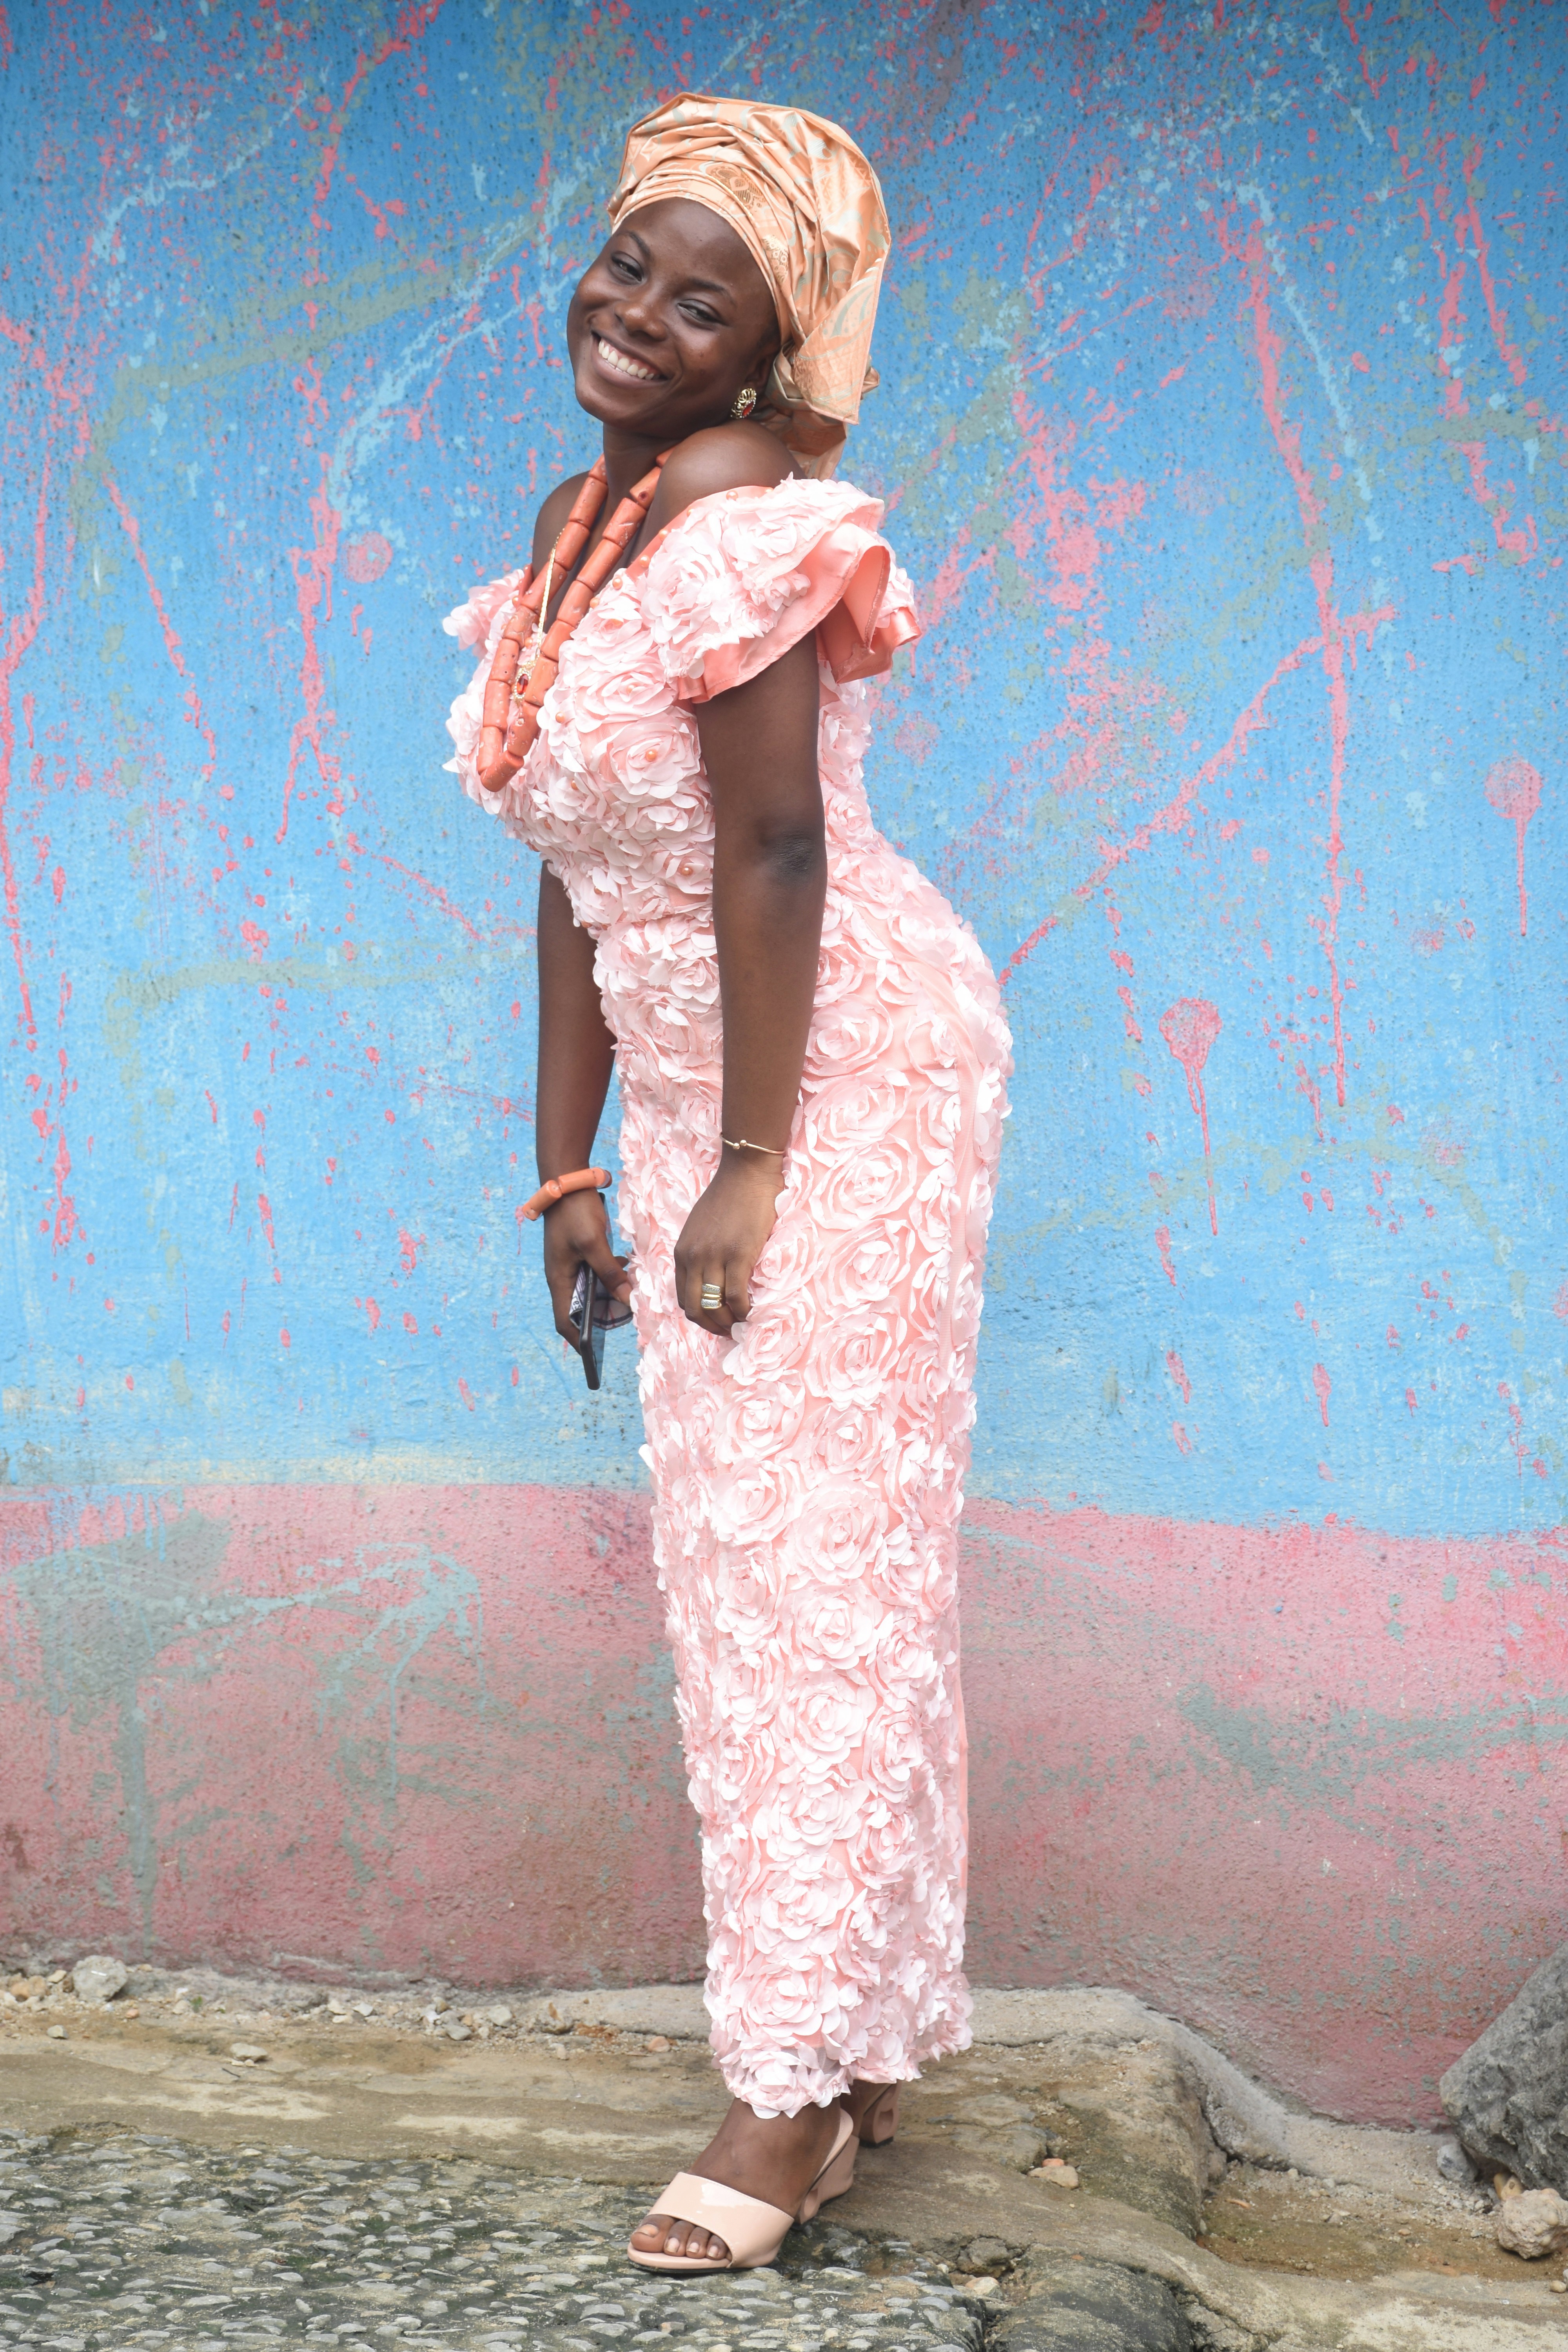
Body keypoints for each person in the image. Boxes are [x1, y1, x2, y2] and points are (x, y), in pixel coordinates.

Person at [445, 91, 1011, 2274]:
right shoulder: (578, 533)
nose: (641, 315)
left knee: (821, 1575)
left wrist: (756, 1164)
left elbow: (772, 851)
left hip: (841, 1070)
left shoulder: (762, 525)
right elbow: (577, 873)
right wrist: (567, 1162)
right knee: (760, 1575)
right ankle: (852, 2043)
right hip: (699, 1089)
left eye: (709, 297)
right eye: (627, 265)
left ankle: (785, 2099)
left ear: (776, 349)